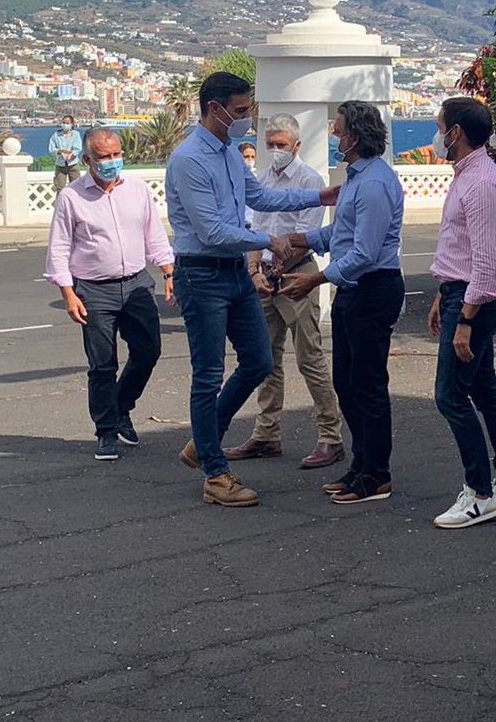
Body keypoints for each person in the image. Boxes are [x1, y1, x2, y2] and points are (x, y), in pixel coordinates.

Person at [168, 72, 339, 508]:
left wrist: (317, 198)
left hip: (232, 275)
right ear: (214, 108)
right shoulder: (189, 160)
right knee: (207, 375)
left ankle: (204, 440)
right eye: (242, 111)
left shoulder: (227, 154)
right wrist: (267, 241)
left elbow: (260, 197)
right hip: (203, 274)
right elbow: (211, 230)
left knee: (259, 360)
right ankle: (214, 473)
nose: (248, 120)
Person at [280, 100, 404, 505]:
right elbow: (341, 233)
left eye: (338, 129)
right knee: (347, 384)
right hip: (355, 288)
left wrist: (314, 278)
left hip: (372, 286)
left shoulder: (373, 183)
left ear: (355, 136)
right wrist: (299, 240)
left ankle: (376, 475)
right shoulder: (355, 178)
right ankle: (361, 465)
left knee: (368, 386)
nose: (334, 135)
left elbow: (365, 251)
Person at [222, 114, 346, 470]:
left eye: (281, 144)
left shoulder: (310, 181)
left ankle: (329, 436)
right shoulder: (261, 180)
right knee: (265, 360)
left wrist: (275, 271)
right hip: (264, 278)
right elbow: (255, 230)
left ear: (296, 145)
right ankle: (266, 433)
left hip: (297, 275)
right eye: (270, 144)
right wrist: (254, 271)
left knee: (310, 358)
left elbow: (302, 236)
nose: (275, 150)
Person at [44, 127, 174, 460]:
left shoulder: (138, 190)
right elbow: (59, 248)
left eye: (116, 154)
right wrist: (68, 293)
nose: (111, 161)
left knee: (148, 350)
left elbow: (154, 233)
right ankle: (106, 431)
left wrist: (169, 271)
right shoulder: (71, 197)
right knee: (102, 365)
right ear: (87, 159)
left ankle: (121, 407)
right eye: (103, 156)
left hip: (136, 284)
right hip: (93, 290)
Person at [426, 97, 496, 529]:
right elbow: (462, 250)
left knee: (450, 395)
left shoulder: (482, 183)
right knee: (484, 392)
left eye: (439, 126)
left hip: (472, 302)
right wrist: (442, 294)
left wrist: (464, 318)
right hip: (459, 294)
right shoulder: (469, 176)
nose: (436, 135)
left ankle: (480, 493)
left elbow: (486, 263)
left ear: (456, 133)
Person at [49, 116, 83, 191]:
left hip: (73, 165)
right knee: (60, 188)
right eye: (63, 123)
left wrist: (72, 154)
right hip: (60, 165)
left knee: (76, 188)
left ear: (72, 124)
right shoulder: (56, 135)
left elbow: (78, 148)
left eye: (67, 123)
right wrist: (59, 151)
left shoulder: (76, 134)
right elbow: (51, 149)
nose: (65, 125)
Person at [239, 142, 257, 230]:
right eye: (246, 156)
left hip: (254, 225)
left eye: (252, 157)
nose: (250, 160)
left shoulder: (258, 179)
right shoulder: (234, 178)